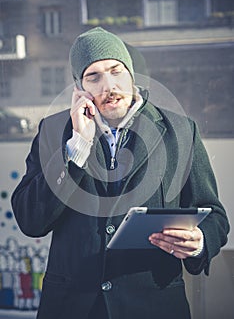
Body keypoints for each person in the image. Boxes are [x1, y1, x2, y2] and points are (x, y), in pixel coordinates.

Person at [11, 27, 229, 319]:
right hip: (73, 307)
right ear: (80, 87)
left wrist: (200, 240)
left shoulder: (179, 130)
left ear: (130, 74)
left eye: (116, 71)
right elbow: (31, 220)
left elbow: (215, 216)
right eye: (94, 76)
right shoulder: (53, 131)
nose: (108, 85)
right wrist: (78, 146)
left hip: (154, 305)